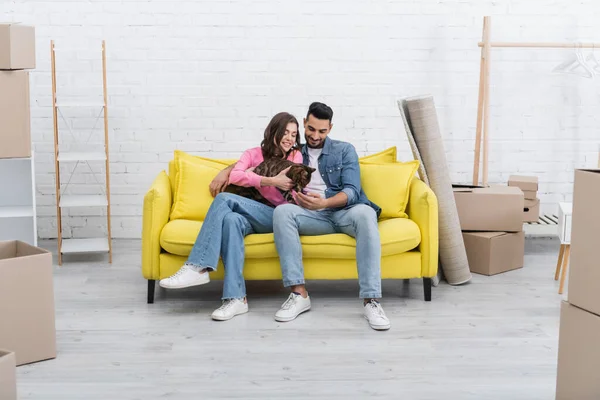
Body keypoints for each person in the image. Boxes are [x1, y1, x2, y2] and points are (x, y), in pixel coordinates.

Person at [211, 102, 391, 331]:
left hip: (344, 211)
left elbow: (352, 191)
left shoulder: (344, 150)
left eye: (322, 131)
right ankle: (299, 294)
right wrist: (225, 171)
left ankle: (371, 300)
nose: (315, 135)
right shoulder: (295, 153)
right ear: (305, 123)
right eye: (311, 129)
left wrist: (325, 202)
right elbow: (259, 161)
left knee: (365, 213)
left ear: (330, 128)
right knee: (283, 210)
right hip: (310, 215)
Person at [159, 112, 302, 321]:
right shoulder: (253, 153)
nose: (290, 138)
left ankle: (198, 265)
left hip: (277, 214)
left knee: (225, 199)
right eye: (286, 132)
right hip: (252, 212)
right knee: (231, 220)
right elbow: (235, 175)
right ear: (274, 131)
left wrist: (252, 176)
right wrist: (270, 180)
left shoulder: (294, 156)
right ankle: (237, 299)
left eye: (294, 134)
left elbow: (287, 182)